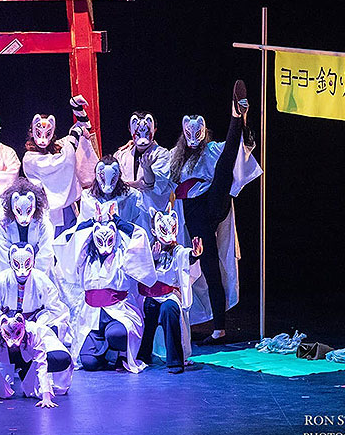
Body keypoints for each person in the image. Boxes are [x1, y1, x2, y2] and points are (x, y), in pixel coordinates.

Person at [169, 80, 262, 343]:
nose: (193, 136)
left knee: (223, 168)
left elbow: (235, 151)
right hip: (195, 216)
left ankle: (236, 115)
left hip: (213, 201)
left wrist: (243, 125)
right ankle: (217, 328)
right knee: (210, 269)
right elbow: (159, 179)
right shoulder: (175, 157)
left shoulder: (211, 150)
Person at [58, 207, 156, 373]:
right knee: (89, 363)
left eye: (109, 240)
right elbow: (67, 239)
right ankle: (105, 354)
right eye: (100, 240)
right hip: (91, 315)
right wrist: (91, 223)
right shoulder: (85, 259)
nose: (104, 245)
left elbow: (139, 236)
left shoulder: (122, 256)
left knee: (116, 334)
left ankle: (120, 354)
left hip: (118, 311)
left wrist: (118, 221)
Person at [0, 244, 73, 393]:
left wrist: (35, 324)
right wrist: (5, 324)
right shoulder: (1, 280)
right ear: (10, 262)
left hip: (35, 329)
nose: (22, 270)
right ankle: (5, 377)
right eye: (17, 263)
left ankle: (30, 370)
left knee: (61, 358)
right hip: (5, 329)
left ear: (33, 261)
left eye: (27, 262)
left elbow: (55, 309)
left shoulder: (42, 280)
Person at [137, 207, 203, 373]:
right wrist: (153, 259)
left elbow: (186, 256)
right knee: (148, 310)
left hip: (170, 295)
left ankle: (175, 361)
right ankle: (142, 356)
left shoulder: (178, 251)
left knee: (169, 309)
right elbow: (141, 272)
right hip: (152, 296)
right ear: (154, 231)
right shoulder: (150, 250)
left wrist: (194, 255)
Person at [22, 96, 98, 236]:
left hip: (68, 208)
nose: (43, 138)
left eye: (48, 134)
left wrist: (76, 107)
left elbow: (84, 128)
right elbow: (63, 161)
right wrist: (75, 135)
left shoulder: (58, 147)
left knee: (71, 242)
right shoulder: (30, 158)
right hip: (46, 209)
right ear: (32, 132)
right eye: (39, 133)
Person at [0, 314, 67, 409]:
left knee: (32, 390)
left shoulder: (33, 336)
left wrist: (46, 396)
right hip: (5, 360)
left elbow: (41, 366)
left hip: (27, 360)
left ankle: (28, 377)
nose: (13, 343)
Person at [0, 178, 55, 280]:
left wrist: (34, 277)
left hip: (39, 272)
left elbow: (46, 253)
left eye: (28, 211)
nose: (24, 219)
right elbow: (4, 253)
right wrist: (17, 276)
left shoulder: (43, 224)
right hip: (8, 272)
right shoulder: (2, 225)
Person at [113, 111, 174, 219]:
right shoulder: (121, 155)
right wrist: (136, 184)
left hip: (150, 215)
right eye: (137, 133)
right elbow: (113, 184)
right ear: (130, 130)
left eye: (147, 132)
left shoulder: (162, 154)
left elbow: (156, 186)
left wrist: (147, 169)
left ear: (155, 129)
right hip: (125, 213)